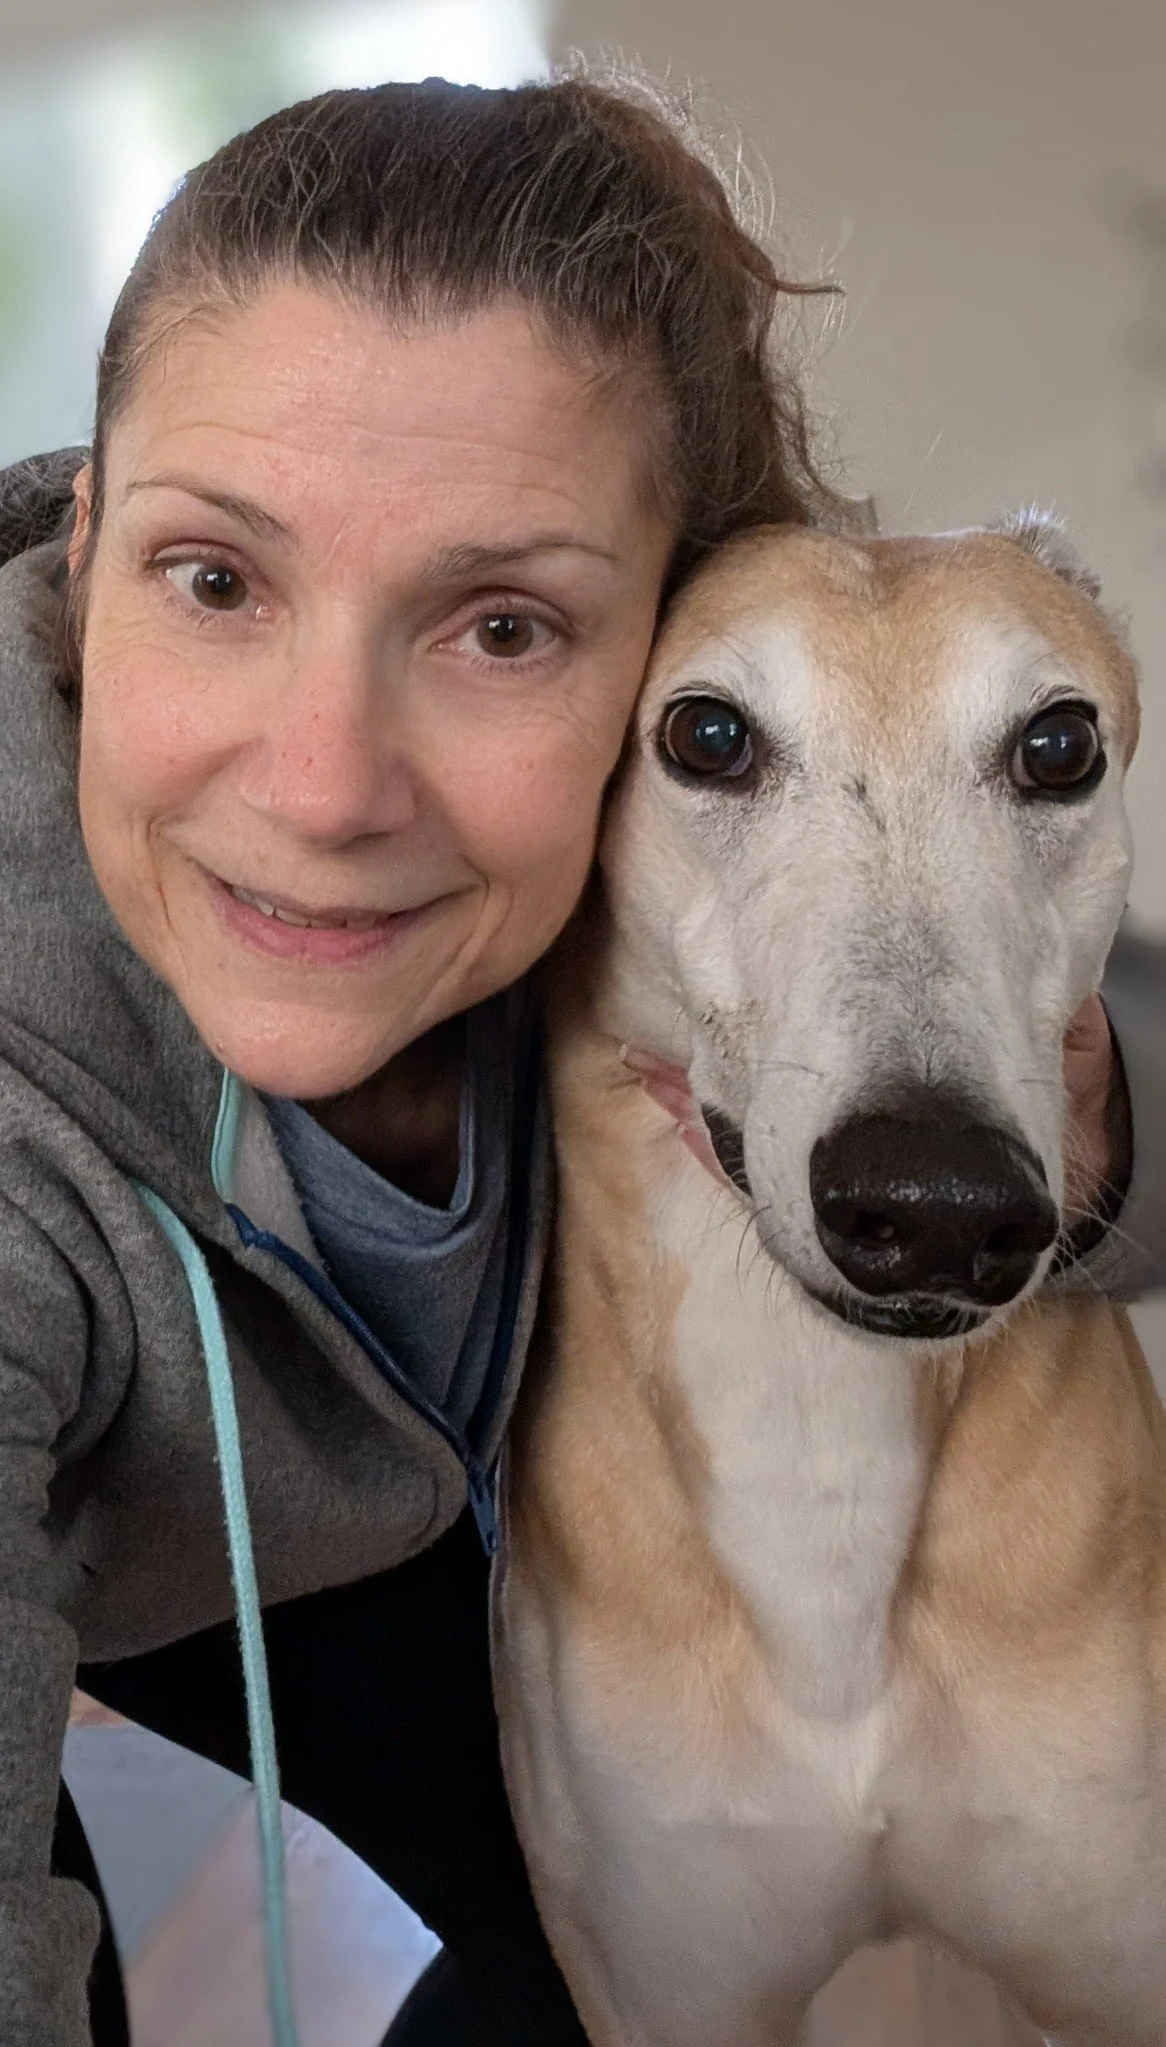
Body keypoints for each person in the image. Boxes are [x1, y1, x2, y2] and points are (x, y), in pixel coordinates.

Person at [0, 72, 1160, 2047]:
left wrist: (1069, 1108)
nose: (324, 789)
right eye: (215, 580)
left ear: (649, 636)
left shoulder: (648, 885)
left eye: (505, 627)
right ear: (85, 543)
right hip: (231, 1613)